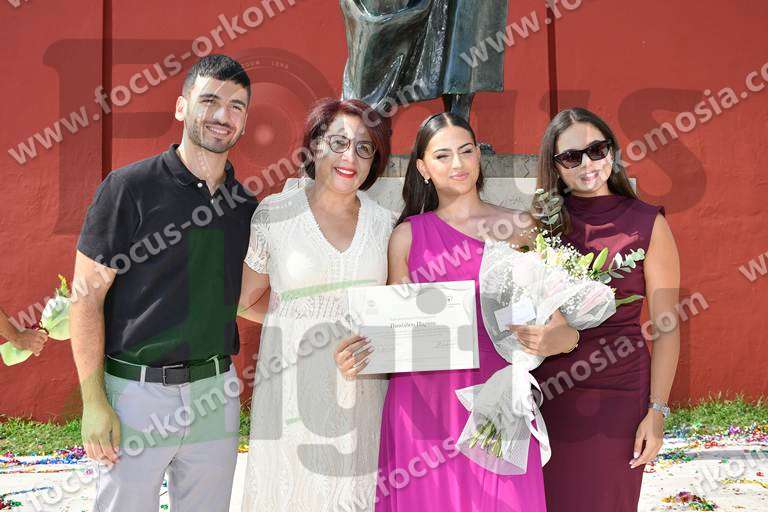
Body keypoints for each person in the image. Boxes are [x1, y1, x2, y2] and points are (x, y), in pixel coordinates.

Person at [337, 112, 578, 511]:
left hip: (498, 400)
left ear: (479, 156)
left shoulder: (522, 228)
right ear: (423, 168)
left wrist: (555, 339)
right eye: (443, 155)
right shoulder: (407, 236)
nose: (458, 163)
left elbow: (564, 330)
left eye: (466, 151)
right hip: (422, 407)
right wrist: (359, 353)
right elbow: (391, 334)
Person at [70, 54, 257, 512]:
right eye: (209, 100)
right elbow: (86, 298)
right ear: (181, 107)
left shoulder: (246, 207)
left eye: (236, 106)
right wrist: (93, 401)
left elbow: (242, 300)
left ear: (245, 120)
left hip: (215, 390)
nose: (222, 115)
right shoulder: (128, 189)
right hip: (136, 393)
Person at [238, 98, 395, 511]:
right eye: (338, 142)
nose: (350, 157)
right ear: (315, 145)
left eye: (364, 147)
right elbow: (246, 300)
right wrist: (295, 322)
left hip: (362, 389)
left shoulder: (385, 224)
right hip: (291, 387)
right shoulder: (275, 213)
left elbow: (397, 311)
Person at [531, 107, 681, 511]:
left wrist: (657, 412)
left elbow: (667, 327)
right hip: (549, 392)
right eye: (571, 157)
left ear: (612, 151)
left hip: (618, 392)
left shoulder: (649, 224)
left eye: (596, 150)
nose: (587, 164)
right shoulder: (540, 227)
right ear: (555, 166)